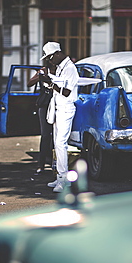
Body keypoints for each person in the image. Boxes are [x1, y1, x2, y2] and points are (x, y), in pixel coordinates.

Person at [40, 41, 79, 193]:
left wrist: (50, 83)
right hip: (58, 109)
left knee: (61, 144)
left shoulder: (70, 68)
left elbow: (67, 92)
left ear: (57, 54)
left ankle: (64, 180)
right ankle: (59, 177)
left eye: (50, 57)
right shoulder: (61, 67)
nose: (49, 61)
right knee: (57, 144)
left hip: (66, 109)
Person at [27, 60, 55, 175]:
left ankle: (55, 163)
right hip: (44, 105)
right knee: (45, 135)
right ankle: (41, 164)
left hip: (59, 105)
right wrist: (40, 76)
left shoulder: (63, 71)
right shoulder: (43, 71)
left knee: (58, 136)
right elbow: (29, 83)